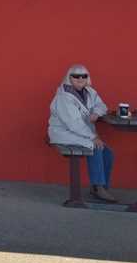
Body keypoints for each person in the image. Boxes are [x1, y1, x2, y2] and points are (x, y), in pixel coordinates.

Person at [48, 64, 116, 203]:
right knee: (96, 146)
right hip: (64, 133)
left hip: (81, 133)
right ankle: (98, 188)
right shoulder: (64, 97)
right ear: (69, 78)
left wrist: (97, 112)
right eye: (76, 76)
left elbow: (102, 105)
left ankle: (100, 186)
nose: (80, 79)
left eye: (83, 76)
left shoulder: (90, 92)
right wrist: (93, 137)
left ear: (88, 78)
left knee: (108, 152)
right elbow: (73, 124)